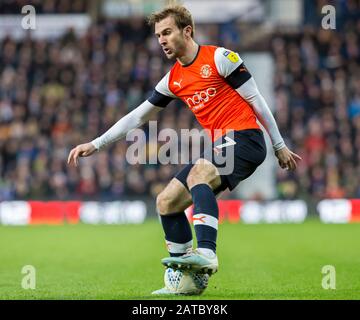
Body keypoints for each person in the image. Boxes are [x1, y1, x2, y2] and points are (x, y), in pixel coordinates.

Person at [67, 5, 301, 294]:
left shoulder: (220, 58)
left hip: (246, 137)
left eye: (167, 32)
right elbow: (138, 116)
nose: (161, 40)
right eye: (157, 35)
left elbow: (257, 101)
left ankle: (207, 253)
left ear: (186, 31)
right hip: (223, 145)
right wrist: (96, 143)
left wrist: (279, 145)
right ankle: (185, 282)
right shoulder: (173, 79)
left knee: (198, 174)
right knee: (166, 202)